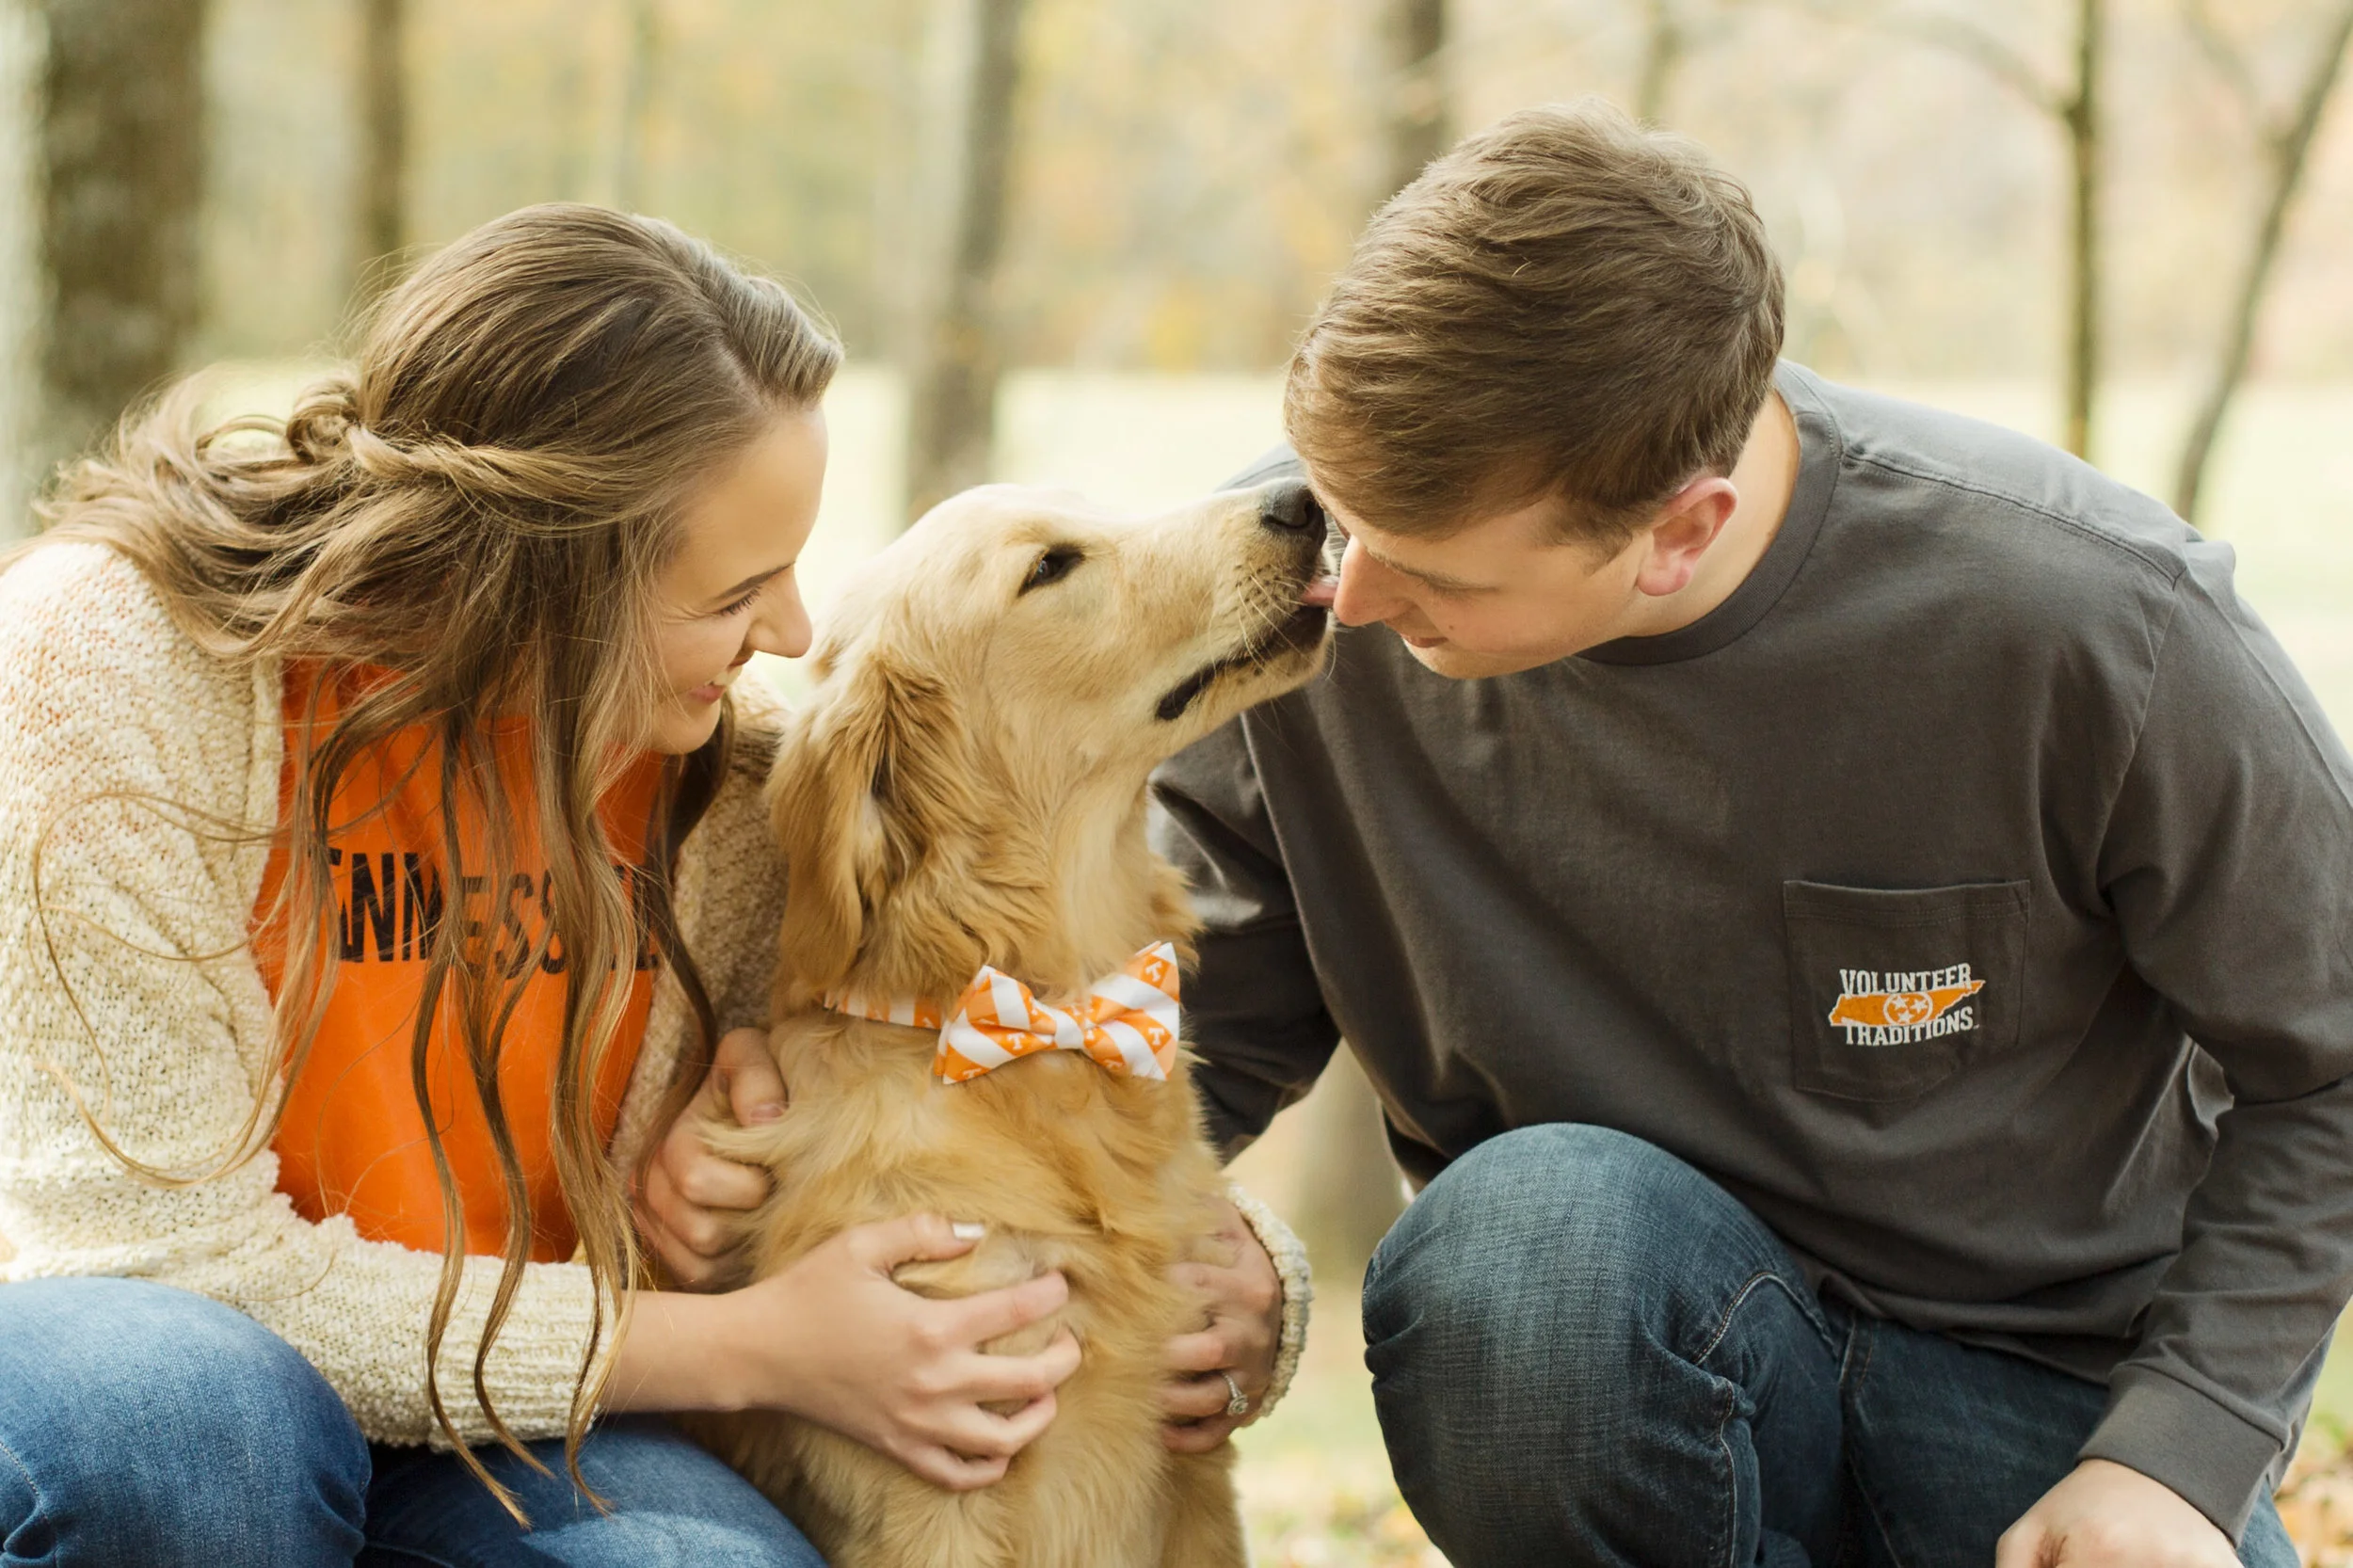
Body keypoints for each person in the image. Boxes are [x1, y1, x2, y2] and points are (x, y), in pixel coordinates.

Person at [0, 204, 1305, 1567]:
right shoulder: (115, 663)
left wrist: (1247, 1277)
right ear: (545, 568)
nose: (791, 632)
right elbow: (162, 1259)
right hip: (175, 1377)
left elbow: (984, 1044)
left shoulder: (725, 775)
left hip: (536, 1426)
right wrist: (748, 1343)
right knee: (183, 1427)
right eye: (740, 589)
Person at [1152, 101, 2343, 1568]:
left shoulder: (2097, 622)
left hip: (2051, 1393)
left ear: (1680, 529)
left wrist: (2181, 1453)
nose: (1347, 596)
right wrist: (1150, 1248)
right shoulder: (1289, 596)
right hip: (1605, 1351)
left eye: (1430, 572)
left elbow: (2330, 1055)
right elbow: (1175, 1033)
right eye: (1338, 519)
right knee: (1517, 1254)